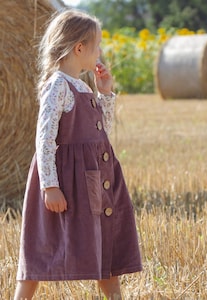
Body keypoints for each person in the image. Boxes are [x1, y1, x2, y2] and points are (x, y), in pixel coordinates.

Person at [14, 9, 142, 300]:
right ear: (79, 48)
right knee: (40, 249)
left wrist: (105, 94)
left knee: (105, 244)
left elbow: (102, 133)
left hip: (95, 179)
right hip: (68, 183)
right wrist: (50, 186)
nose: (100, 52)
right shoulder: (57, 85)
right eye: (96, 46)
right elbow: (44, 138)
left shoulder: (82, 86)